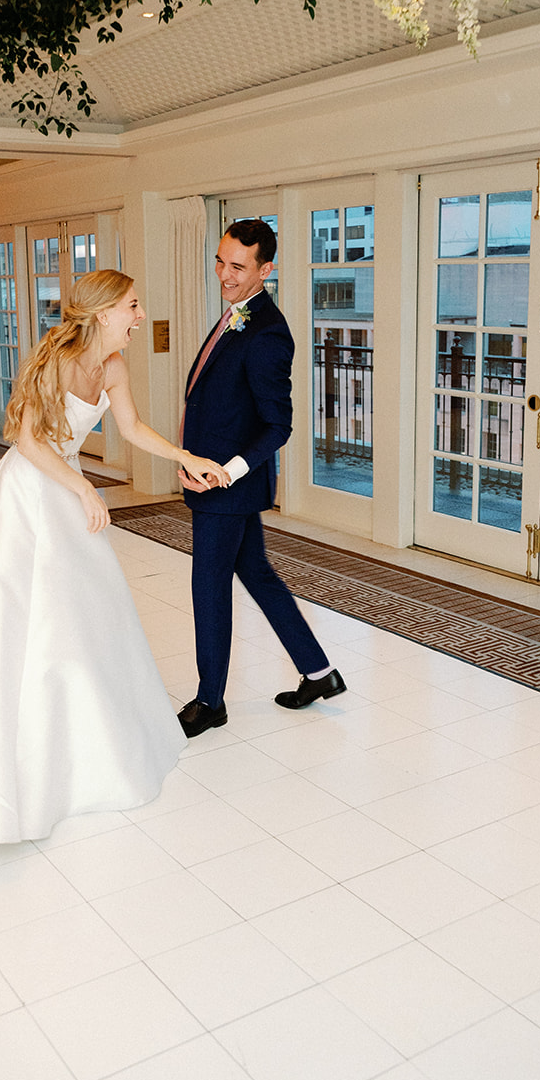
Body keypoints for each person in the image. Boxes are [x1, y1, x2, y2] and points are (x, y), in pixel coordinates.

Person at [0, 269, 229, 844]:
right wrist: (83, 487)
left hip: (66, 492)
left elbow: (132, 426)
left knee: (80, 614)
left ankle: (80, 746)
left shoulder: (112, 365)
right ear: (104, 312)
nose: (141, 317)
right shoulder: (56, 358)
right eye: (133, 306)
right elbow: (28, 439)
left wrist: (184, 455)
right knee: (11, 618)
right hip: (29, 491)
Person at [176, 219, 346, 738]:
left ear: (264, 270)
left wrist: (224, 472)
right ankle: (319, 672)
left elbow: (279, 425)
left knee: (209, 588)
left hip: (225, 489)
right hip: (221, 482)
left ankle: (211, 702)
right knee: (258, 574)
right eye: (221, 261)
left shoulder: (268, 332)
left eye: (237, 267)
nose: (224, 275)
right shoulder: (239, 314)